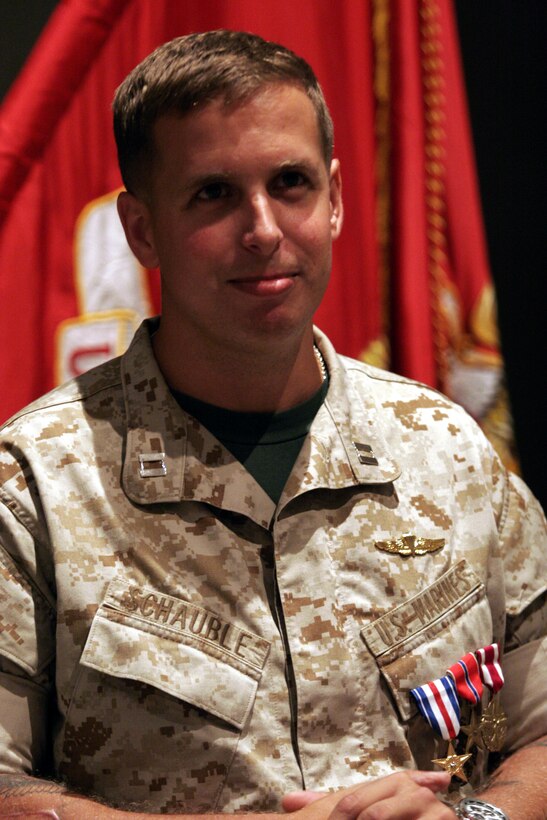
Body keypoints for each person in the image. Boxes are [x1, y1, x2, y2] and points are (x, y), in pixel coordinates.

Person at [0, 29, 545, 820]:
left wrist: (476, 817)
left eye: (289, 183)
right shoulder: (36, 483)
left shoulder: (447, 449)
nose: (262, 230)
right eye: (213, 194)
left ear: (333, 200)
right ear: (141, 230)